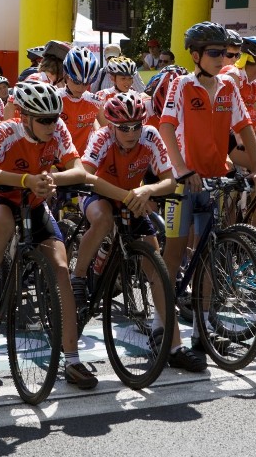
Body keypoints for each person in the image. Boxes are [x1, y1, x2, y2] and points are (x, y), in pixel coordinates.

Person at [0, 81, 98, 389]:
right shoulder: (7, 132)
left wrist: (50, 178)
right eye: (44, 120)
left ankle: (73, 360)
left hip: (36, 200)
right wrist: (25, 179)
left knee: (62, 269)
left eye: (55, 118)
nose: (51, 125)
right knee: (1, 223)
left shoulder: (58, 130)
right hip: (3, 195)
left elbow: (78, 170)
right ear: (25, 117)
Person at [159, 21, 256, 364]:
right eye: (215, 53)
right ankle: (162, 325)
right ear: (196, 55)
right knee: (174, 255)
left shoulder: (228, 88)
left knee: (207, 256)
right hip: (183, 183)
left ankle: (201, 330)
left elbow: (245, 128)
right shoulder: (181, 85)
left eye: (226, 53)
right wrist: (182, 170)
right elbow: (166, 127)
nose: (223, 59)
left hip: (214, 179)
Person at [73, 92, 183, 362]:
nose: (131, 132)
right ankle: (78, 276)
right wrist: (127, 195)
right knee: (103, 219)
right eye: (123, 127)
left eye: (136, 126)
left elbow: (170, 180)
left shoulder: (151, 136)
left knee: (156, 269)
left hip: (133, 197)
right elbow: (85, 175)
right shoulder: (102, 138)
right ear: (111, 125)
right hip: (99, 194)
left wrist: (148, 190)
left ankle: (175, 345)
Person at [60, 47, 105, 153]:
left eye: (86, 83)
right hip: (55, 163)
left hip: (83, 162)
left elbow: (109, 130)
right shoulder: (55, 99)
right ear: (65, 76)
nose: (81, 88)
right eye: (76, 82)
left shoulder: (96, 101)